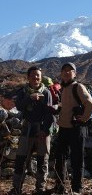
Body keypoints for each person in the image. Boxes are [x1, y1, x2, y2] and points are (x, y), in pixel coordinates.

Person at [8, 66, 54, 195]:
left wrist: (44, 130)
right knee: (21, 159)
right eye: (33, 75)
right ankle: (16, 189)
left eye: (38, 75)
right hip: (27, 129)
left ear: (41, 77)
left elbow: (49, 114)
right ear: (28, 77)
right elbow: (19, 106)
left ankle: (40, 189)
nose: (36, 77)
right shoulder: (23, 91)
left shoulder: (46, 92)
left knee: (42, 160)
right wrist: (30, 98)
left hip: (42, 130)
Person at [52, 62, 92, 194]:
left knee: (77, 160)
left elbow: (90, 104)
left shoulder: (78, 87)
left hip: (76, 128)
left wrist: (85, 118)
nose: (66, 72)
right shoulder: (64, 88)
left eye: (69, 70)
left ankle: (77, 188)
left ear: (75, 73)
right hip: (64, 128)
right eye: (64, 70)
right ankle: (60, 187)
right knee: (60, 159)